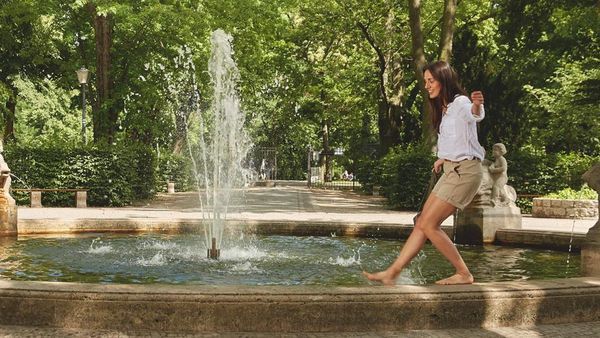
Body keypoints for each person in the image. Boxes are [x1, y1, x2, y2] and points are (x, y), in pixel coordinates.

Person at [363, 60, 485, 285]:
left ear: (444, 79)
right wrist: (443, 158)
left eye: (431, 81)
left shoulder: (461, 103)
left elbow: (474, 114)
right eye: (425, 81)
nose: (427, 85)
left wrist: (477, 105)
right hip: (452, 169)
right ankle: (392, 273)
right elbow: (458, 140)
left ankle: (463, 273)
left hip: (465, 172)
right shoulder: (445, 109)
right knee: (421, 221)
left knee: (429, 224)